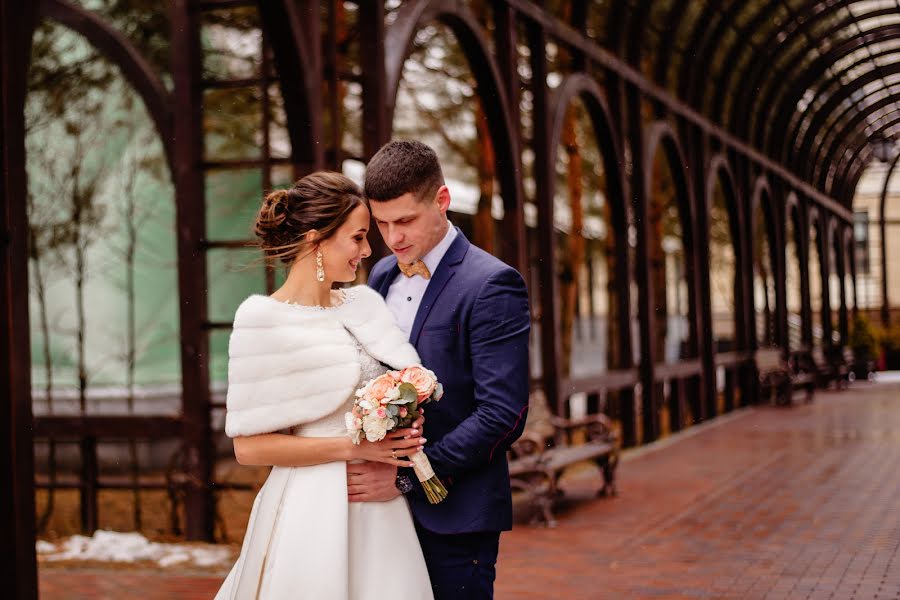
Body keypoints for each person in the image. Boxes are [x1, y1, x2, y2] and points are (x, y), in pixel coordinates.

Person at [215, 172, 434, 600]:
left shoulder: (365, 305)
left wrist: (403, 413)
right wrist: (355, 449)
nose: (369, 250)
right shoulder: (263, 320)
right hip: (311, 508)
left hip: (382, 509)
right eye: (357, 237)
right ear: (317, 240)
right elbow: (250, 448)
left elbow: (396, 383)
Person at [349, 140, 531, 599]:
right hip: (382, 516)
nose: (393, 238)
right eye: (382, 223)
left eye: (406, 220)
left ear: (442, 201)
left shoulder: (492, 284)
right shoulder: (381, 276)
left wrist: (409, 477)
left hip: (454, 515)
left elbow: (502, 415)